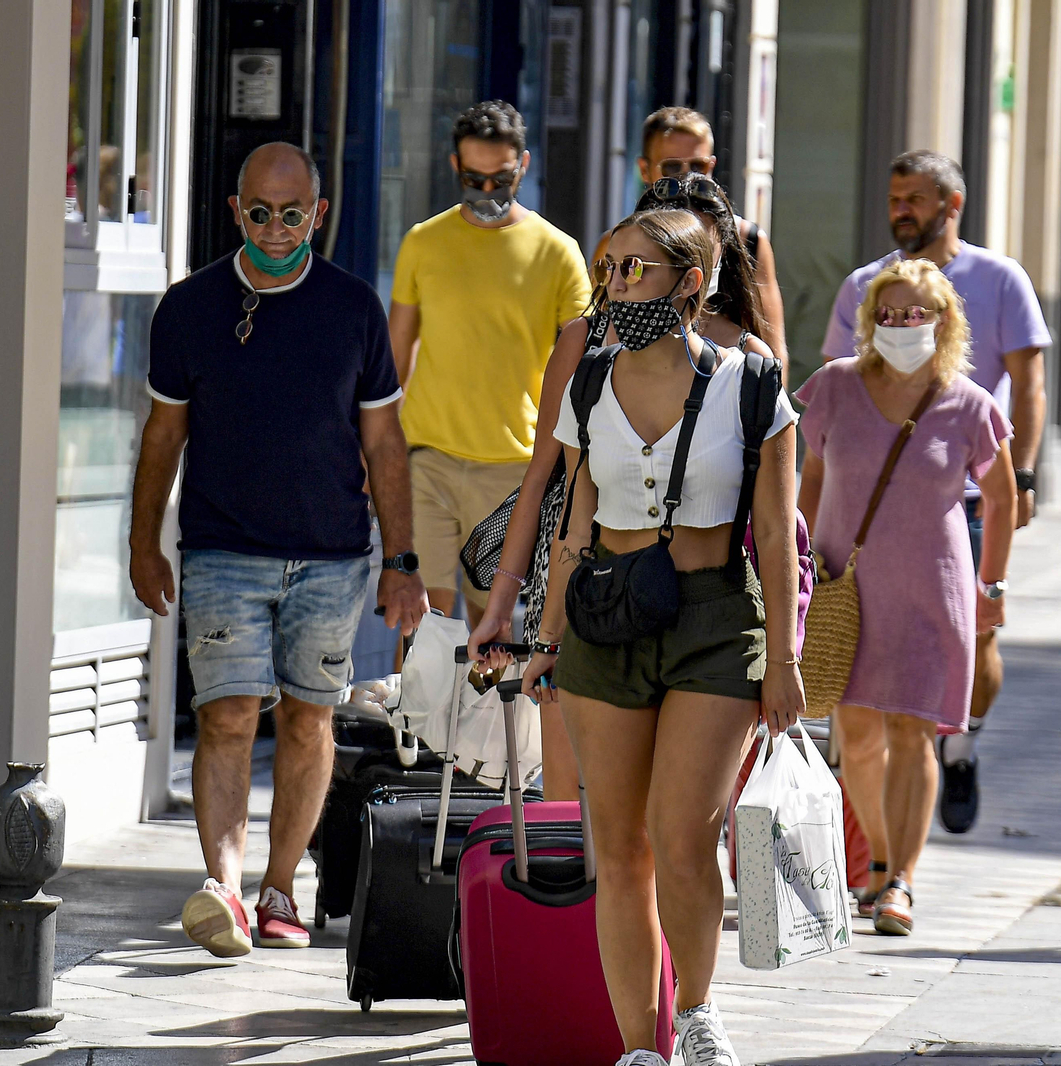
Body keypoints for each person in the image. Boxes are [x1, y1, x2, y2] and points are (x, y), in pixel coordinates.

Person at [129, 142, 429, 958]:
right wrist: (142, 540)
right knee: (225, 715)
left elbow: (385, 442)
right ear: (235, 212)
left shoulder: (353, 307)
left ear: (317, 215)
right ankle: (221, 888)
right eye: (258, 212)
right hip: (223, 549)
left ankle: (279, 887)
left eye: (291, 213)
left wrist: (401, 563)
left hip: (332, 557)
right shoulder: (188, 308)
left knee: (308, 720)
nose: (274, 227)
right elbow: (163, 434)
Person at [520, 208, 804, 1066]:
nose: (616, 287)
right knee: (619, 846)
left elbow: (780, 533)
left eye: (636, 271)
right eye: (609, 270)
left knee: (684, 835)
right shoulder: (587, 382)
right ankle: (641, 1047)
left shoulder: (752, 388)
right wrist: (546, 635)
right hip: (607, 617)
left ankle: (699, 1015)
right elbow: (572, 519)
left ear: (692, 283)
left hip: (714, 621)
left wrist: (785, 661)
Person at [467, 173, 775, 800]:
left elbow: (769, 510)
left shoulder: (745, 361)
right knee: (577, 811)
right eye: (618, 264)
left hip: (705, 597)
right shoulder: (585, 342)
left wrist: (782, 647)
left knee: (676, 825)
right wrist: (509, 603)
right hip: (592, 585)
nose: (624, 279)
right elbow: (543, 479)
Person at [818, 149, 1050, 839]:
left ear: (951, 205)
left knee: (980, 642)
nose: (900, 211)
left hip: (969, 495)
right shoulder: (867, 284)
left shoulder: (1001, 278)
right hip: (875, 516)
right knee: (872, 677)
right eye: (894, 198)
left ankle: (964, 744)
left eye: (914, 199)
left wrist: (1025, 473)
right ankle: (898, 822)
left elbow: (1029, 383)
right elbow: (839, 378)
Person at [798, 257, 1014, 934]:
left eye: (914, 312)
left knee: (915, 729)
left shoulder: (969, 403)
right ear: (868, 321)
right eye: (886, 313)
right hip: (845, 587)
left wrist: (993, 586)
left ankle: (901, 883)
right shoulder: (833, 388)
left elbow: (1003, 498)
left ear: (943, 320)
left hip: (932, 588)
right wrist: (792, 564)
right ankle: (881, 863)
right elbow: (804, 483)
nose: (899, 324)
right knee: (857, 734)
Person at [388, 100, 592, 622]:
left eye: (499, 180)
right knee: (419, 623)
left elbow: (586, 364)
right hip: (426, 460)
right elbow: (395, 353)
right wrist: (378, 455)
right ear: (455, 166)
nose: (485, 194)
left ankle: (481, 709)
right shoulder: (423, 242)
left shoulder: (558, 252)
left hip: (514, 467)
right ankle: (416, 709)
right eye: (473, 179)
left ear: (523, 165)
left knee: (491, 627)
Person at [589, 106, 786, 358]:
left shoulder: (748, 239)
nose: (686, 177)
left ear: (712, 166)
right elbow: (602, 330)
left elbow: (772, 340)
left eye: (698, 166)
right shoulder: (615, 244)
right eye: (671, 167)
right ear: (644, 170)